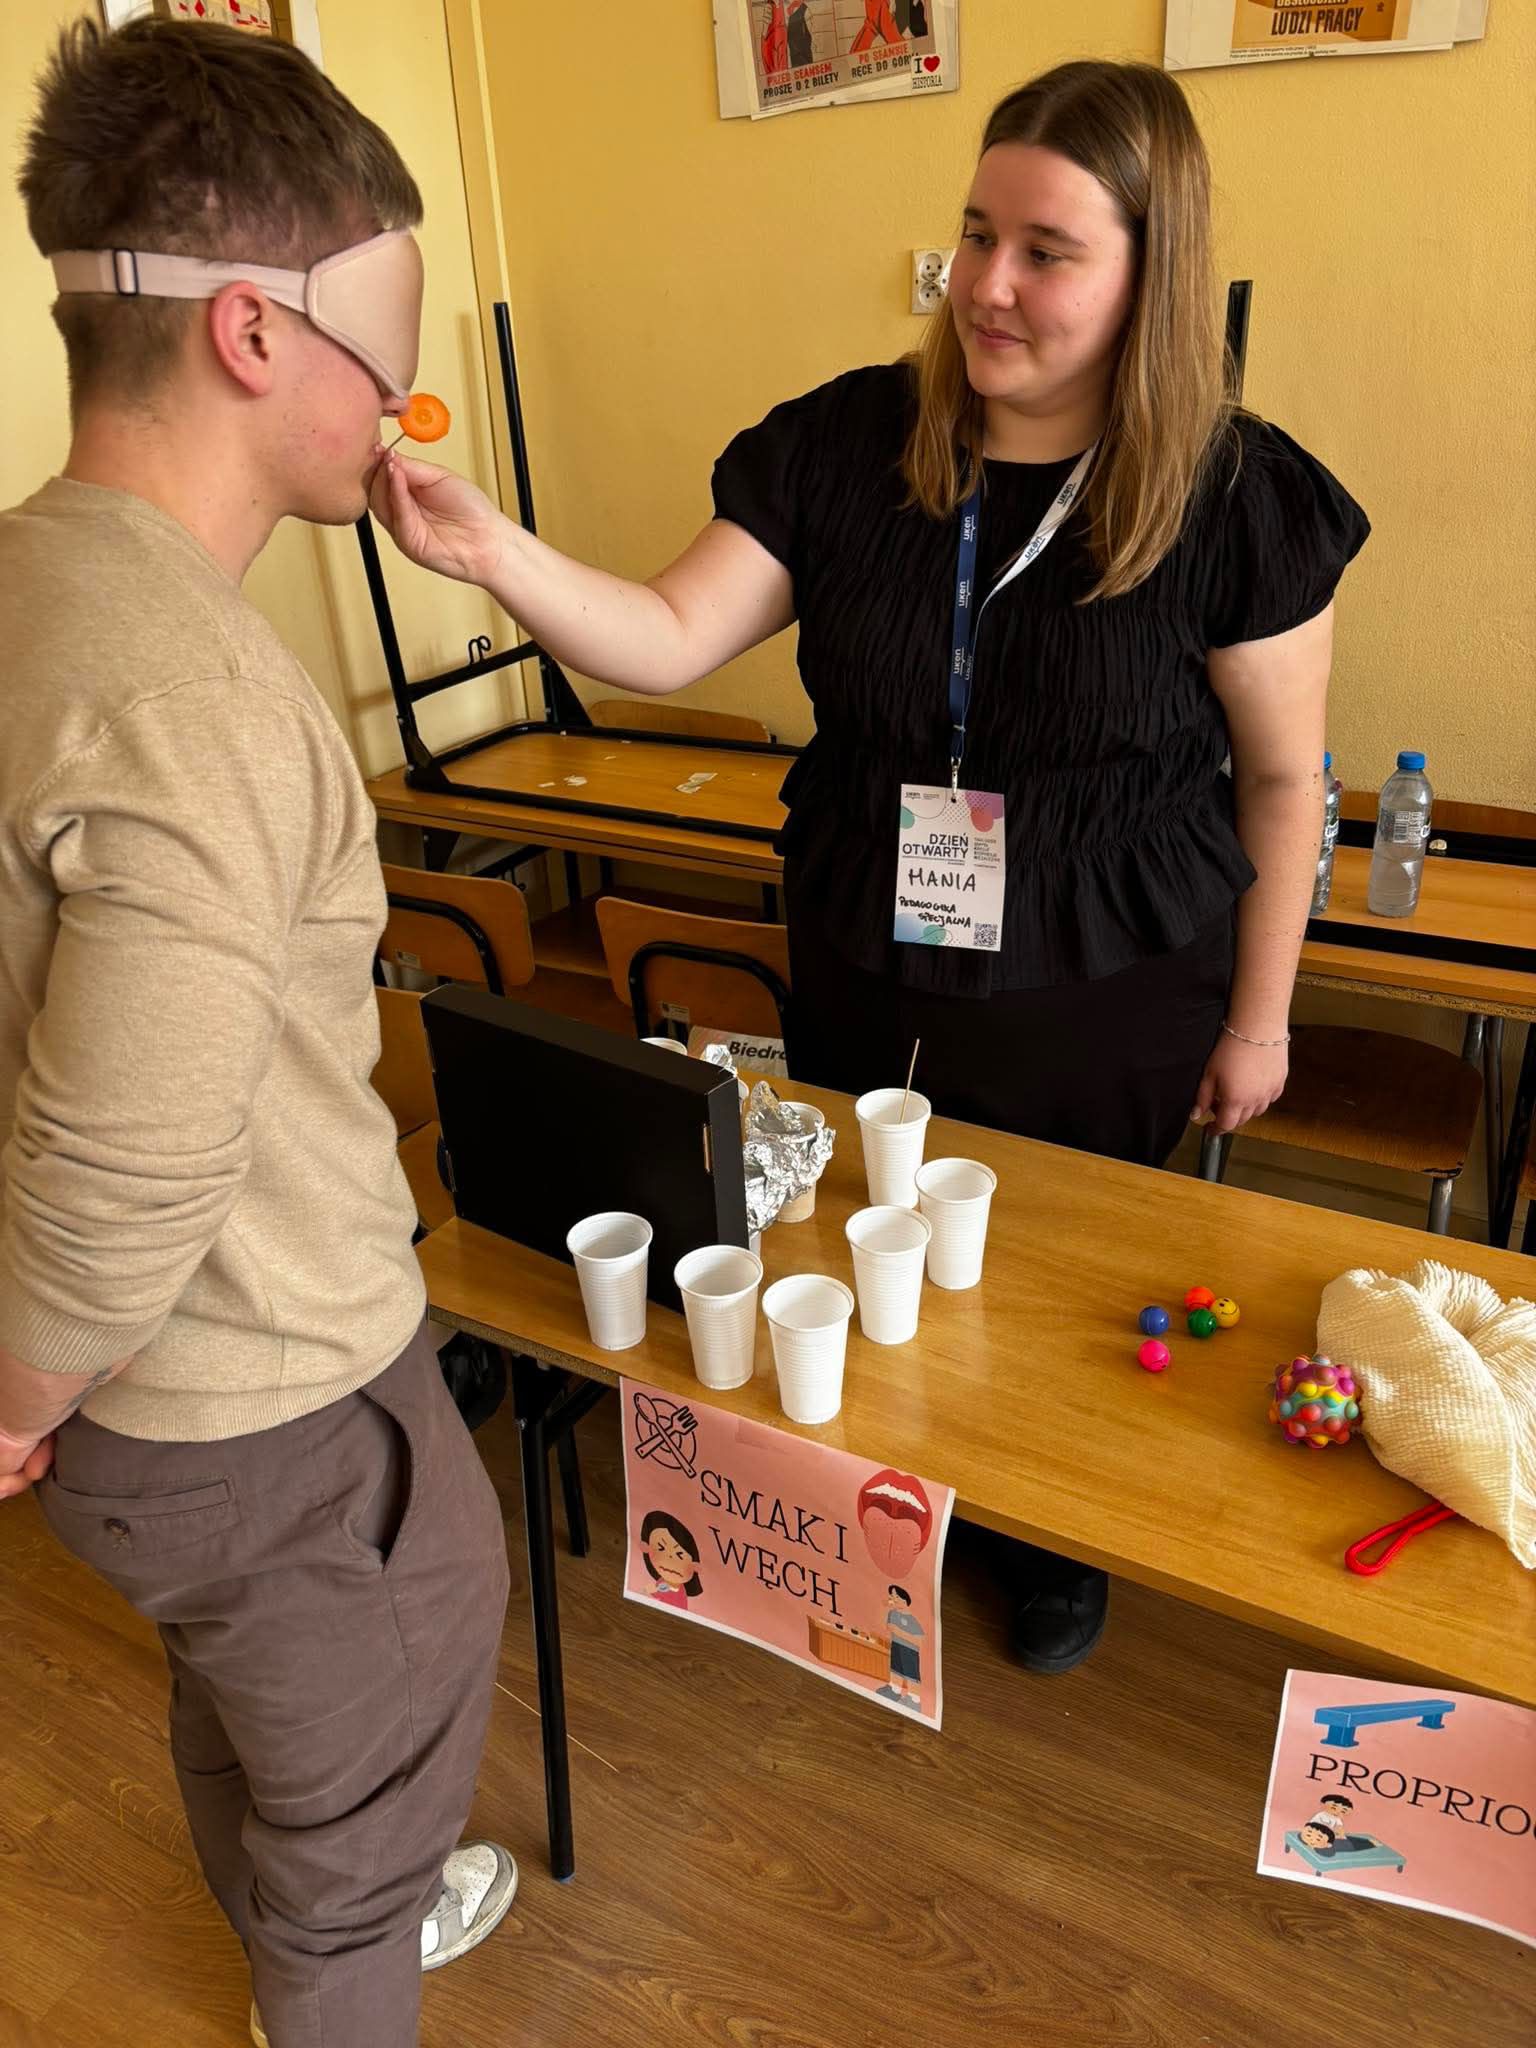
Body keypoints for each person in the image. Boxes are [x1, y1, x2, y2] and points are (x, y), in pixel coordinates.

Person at [366, 59, 1368, 1674]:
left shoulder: (1236, 498)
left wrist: (1261, 1023)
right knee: (863, 1228)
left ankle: (1045, 1536)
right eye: (976, 232)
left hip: (1109, 972)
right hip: (869, 933)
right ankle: (879, 1493)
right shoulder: (846, 445)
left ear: (1151, 275)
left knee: (1059, 1270)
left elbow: (1278, 781)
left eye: (1047, 251)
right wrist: (494, 553)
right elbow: (668, 633)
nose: (985, 283)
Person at [1, 22, 516, 2047]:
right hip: (268, 1409)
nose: (397, 412)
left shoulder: (30, 589)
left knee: (249, 1708)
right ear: (250, 333)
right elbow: (126, 1156)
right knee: (358, 1823)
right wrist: (21, 1384)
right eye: (386, 366)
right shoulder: (198, 699)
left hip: (147, 1441)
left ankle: (312, 1895)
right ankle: (339, 1944)